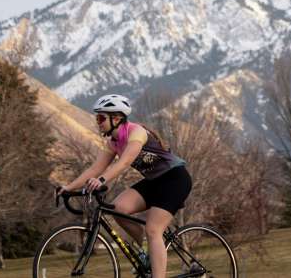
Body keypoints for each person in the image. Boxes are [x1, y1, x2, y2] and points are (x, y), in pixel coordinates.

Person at [59, 94, 192, 278]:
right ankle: (144, 253)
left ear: (117, 118)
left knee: (154, 229)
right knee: (119, 208)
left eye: (101, 118)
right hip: (154, 181)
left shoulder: (136, 133)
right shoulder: (113, 142)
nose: (98, 122)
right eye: (97, 117)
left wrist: (102, 180)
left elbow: (124, 162)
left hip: (175, 180)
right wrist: (69, 187)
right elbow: (96, 168)